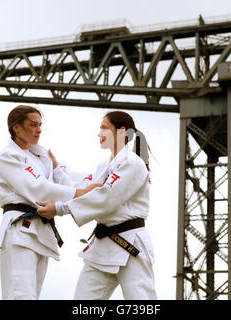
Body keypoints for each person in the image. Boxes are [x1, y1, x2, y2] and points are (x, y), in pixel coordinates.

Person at [37, 110, 157, 300]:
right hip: (103, 245)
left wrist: (60, 208)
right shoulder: (105, 164)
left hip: (130, 242)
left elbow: (105, 197)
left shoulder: (133, 164)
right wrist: (57, 168)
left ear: (121, 131)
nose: (99, 133)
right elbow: (84, 187)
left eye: (104, 128)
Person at [0, 105, 101, 300]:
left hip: (40, 230)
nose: (39, 129)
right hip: (19, 229)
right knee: (20, 296)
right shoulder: (6, 156)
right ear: (16, 128)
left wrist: (96, 185)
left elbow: (59, 182)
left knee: (33, 296)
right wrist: (80, 193)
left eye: (40, 125)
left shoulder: (41, 158)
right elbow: (38, 188)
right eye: (33, 125)